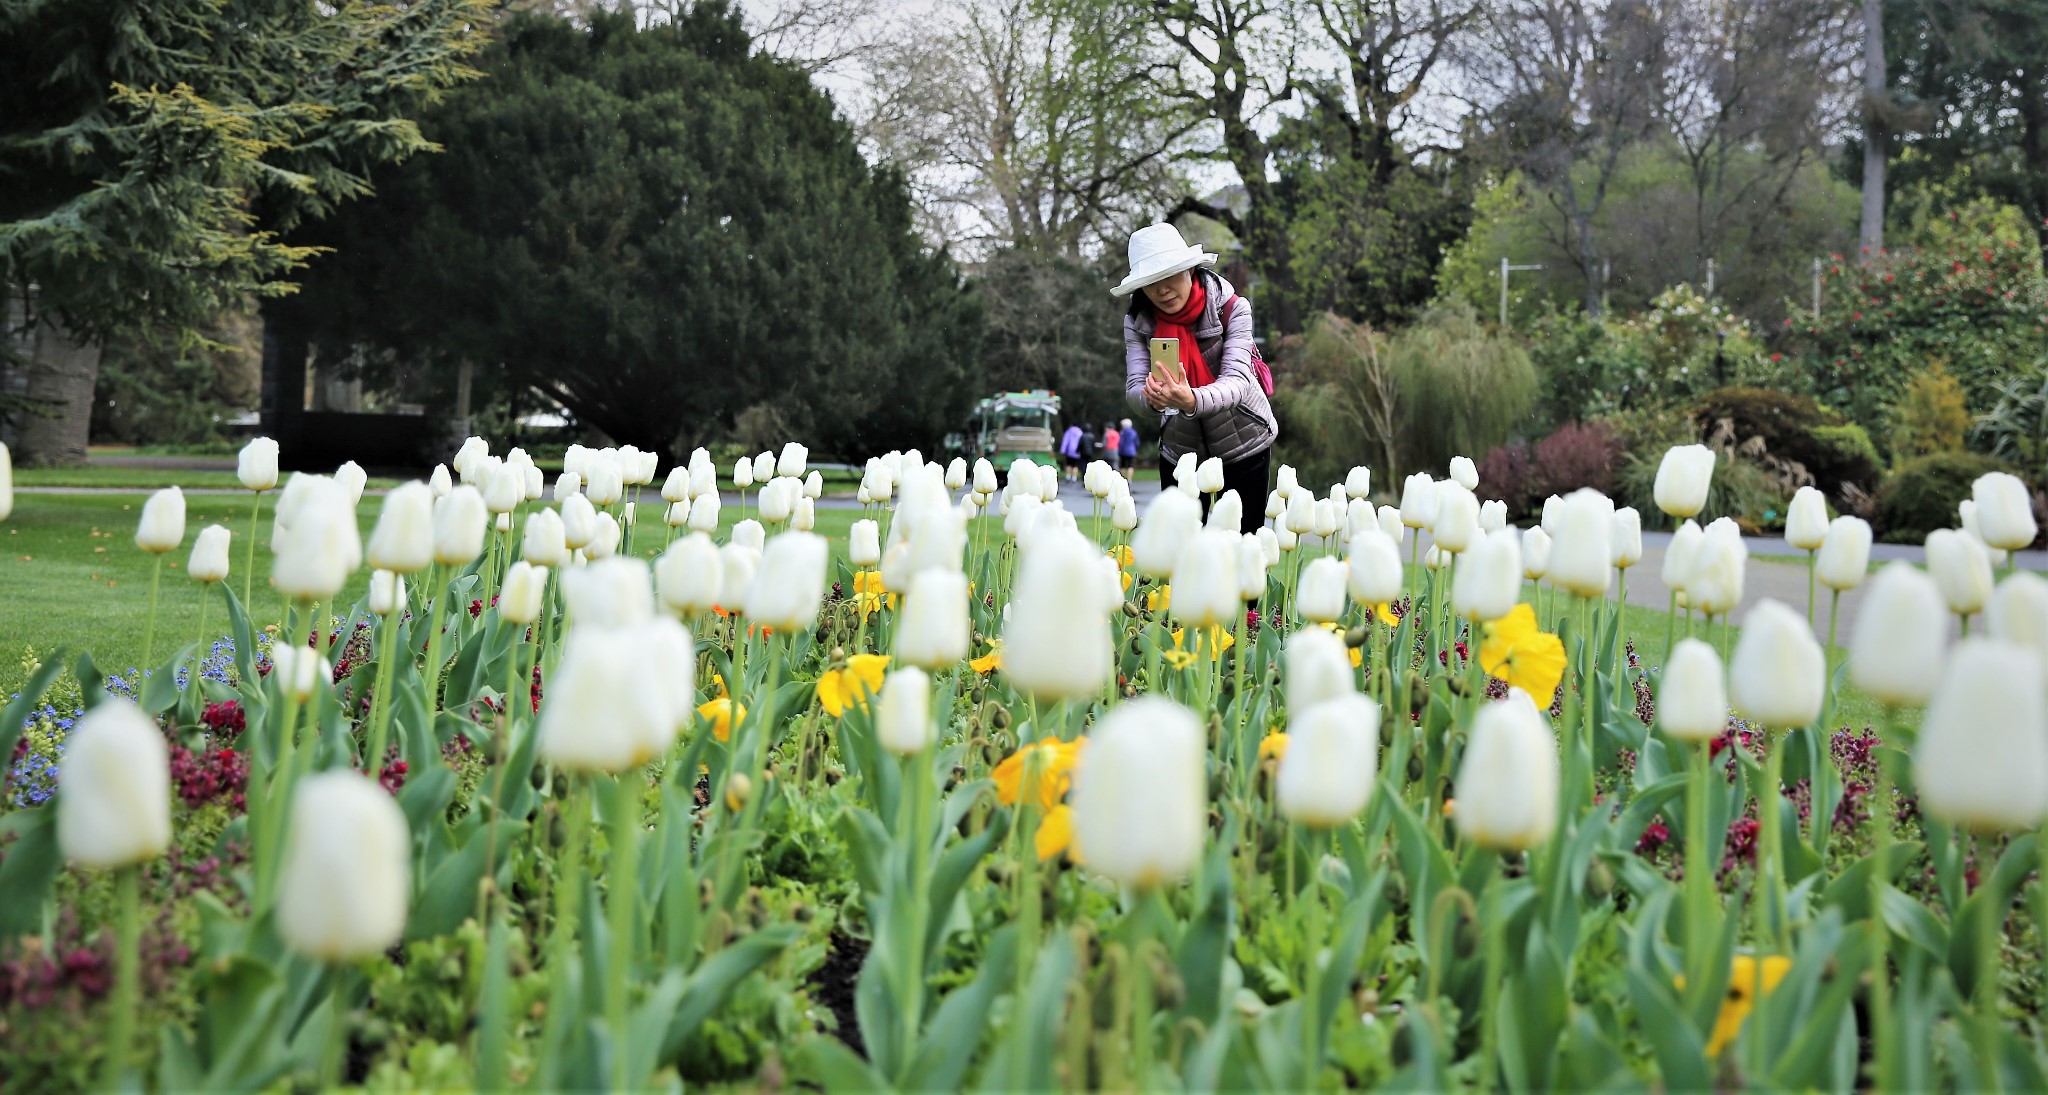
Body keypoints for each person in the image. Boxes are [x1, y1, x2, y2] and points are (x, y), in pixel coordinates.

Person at [1115, 223, 1275, 530]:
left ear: (1190, 269)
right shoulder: (1137, 322)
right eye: (1151, 282)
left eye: (1170, 275)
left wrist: (1191, 399)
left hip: (1244, 440)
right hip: (1181, 449)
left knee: (1244, 551)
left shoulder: (1232, 308)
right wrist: (1150, 398)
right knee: (1180, 555)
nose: (1162, 289)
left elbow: (1238, 381)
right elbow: (1134, 388)